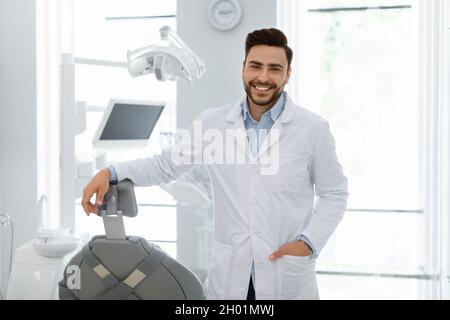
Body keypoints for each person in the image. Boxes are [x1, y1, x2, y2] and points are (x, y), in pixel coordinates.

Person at [82, 28, 348, 300]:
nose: (263, 77)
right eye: (255, 66)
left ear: (288, 74)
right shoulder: (213, 123)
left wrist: (309, 242)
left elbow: (334, 193)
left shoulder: (312, 129)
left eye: (275, 69)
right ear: (243, 68)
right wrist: (112, 171)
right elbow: (165, 165)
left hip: (286, 274)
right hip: (232, 276)